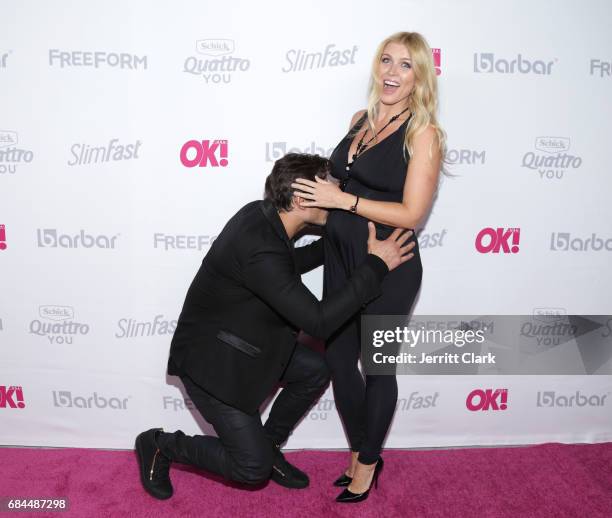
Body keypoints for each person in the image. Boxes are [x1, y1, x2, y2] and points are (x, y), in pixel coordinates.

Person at [134, 153, 416, 500]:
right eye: (329, 188)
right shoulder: (260, 249)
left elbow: (284, 266)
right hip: (214, 366)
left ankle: (268, 446)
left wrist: (336, 245)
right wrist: (375, 265)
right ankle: (162, 445)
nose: (336, 195)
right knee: (251, 469)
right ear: (301, 200)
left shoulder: (261, 216)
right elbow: (318, 320)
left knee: (316, 370)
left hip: (249, 342)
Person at [292, 32, 446, 503]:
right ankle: (366, 449)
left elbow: (412, 214)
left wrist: (344, 200)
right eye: (386, 61)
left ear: (420, 77)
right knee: (339, 360)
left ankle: (366, 460)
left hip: (391, 264)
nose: (391, 72)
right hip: (341, 259)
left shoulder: (423, 133)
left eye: (405, 65)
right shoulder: (359, 120)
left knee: (377, 368)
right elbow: (339, 185)